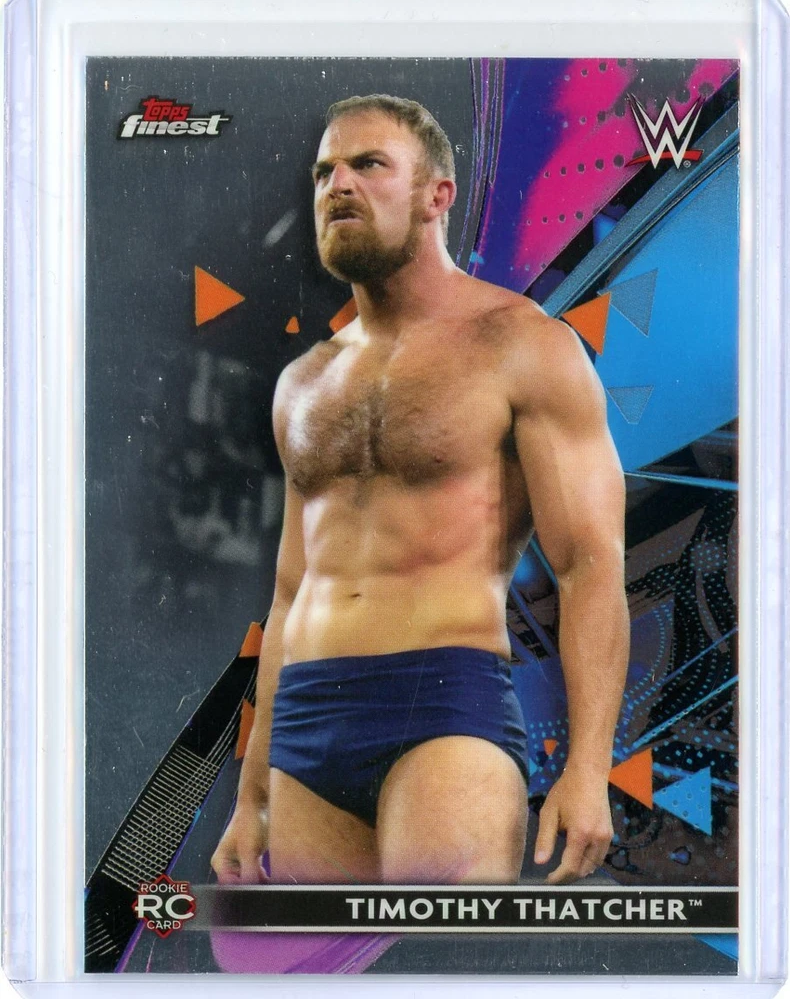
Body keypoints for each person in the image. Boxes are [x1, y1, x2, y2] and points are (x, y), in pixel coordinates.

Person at [211, 94, 629, 887]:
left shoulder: (523, 344)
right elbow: (291, 591)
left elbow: (589, 563)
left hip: (443, 707)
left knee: (439, 948)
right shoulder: (304, 382)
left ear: (438, 195)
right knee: (333, 958)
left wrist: (588, 768)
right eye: (325, 172)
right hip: (305, 719)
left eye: (368, 164)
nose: (338, 185)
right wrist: (253, 794)